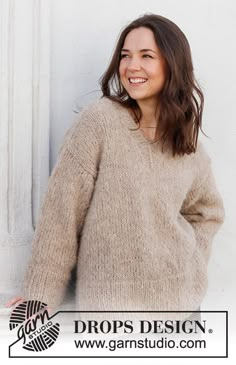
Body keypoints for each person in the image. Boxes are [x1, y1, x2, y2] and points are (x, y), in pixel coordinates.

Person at [5, 14, 225, 320]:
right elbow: (62, 212)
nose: (131, 66)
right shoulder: (99, 122)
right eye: (125, 55)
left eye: (146, 56)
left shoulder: (184, 141)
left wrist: (192, 262)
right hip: (111, 314)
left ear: (172, 64)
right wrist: (41, 295)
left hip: (182, 310)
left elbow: (207, 212)